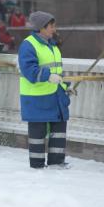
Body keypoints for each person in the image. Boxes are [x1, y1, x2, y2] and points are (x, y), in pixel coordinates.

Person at [18, 11, 71, 169]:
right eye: (51, 26)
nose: (54, 29)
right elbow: (29, 70)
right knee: (37, 135)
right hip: (37, 98)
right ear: (41, 28)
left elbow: (57, 71)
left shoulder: (52, 46)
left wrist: (66, 85)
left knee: (59, 130)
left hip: (56, 95)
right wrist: (48, 76)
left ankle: (56, 162)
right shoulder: (28, 45)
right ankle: (37, 165)